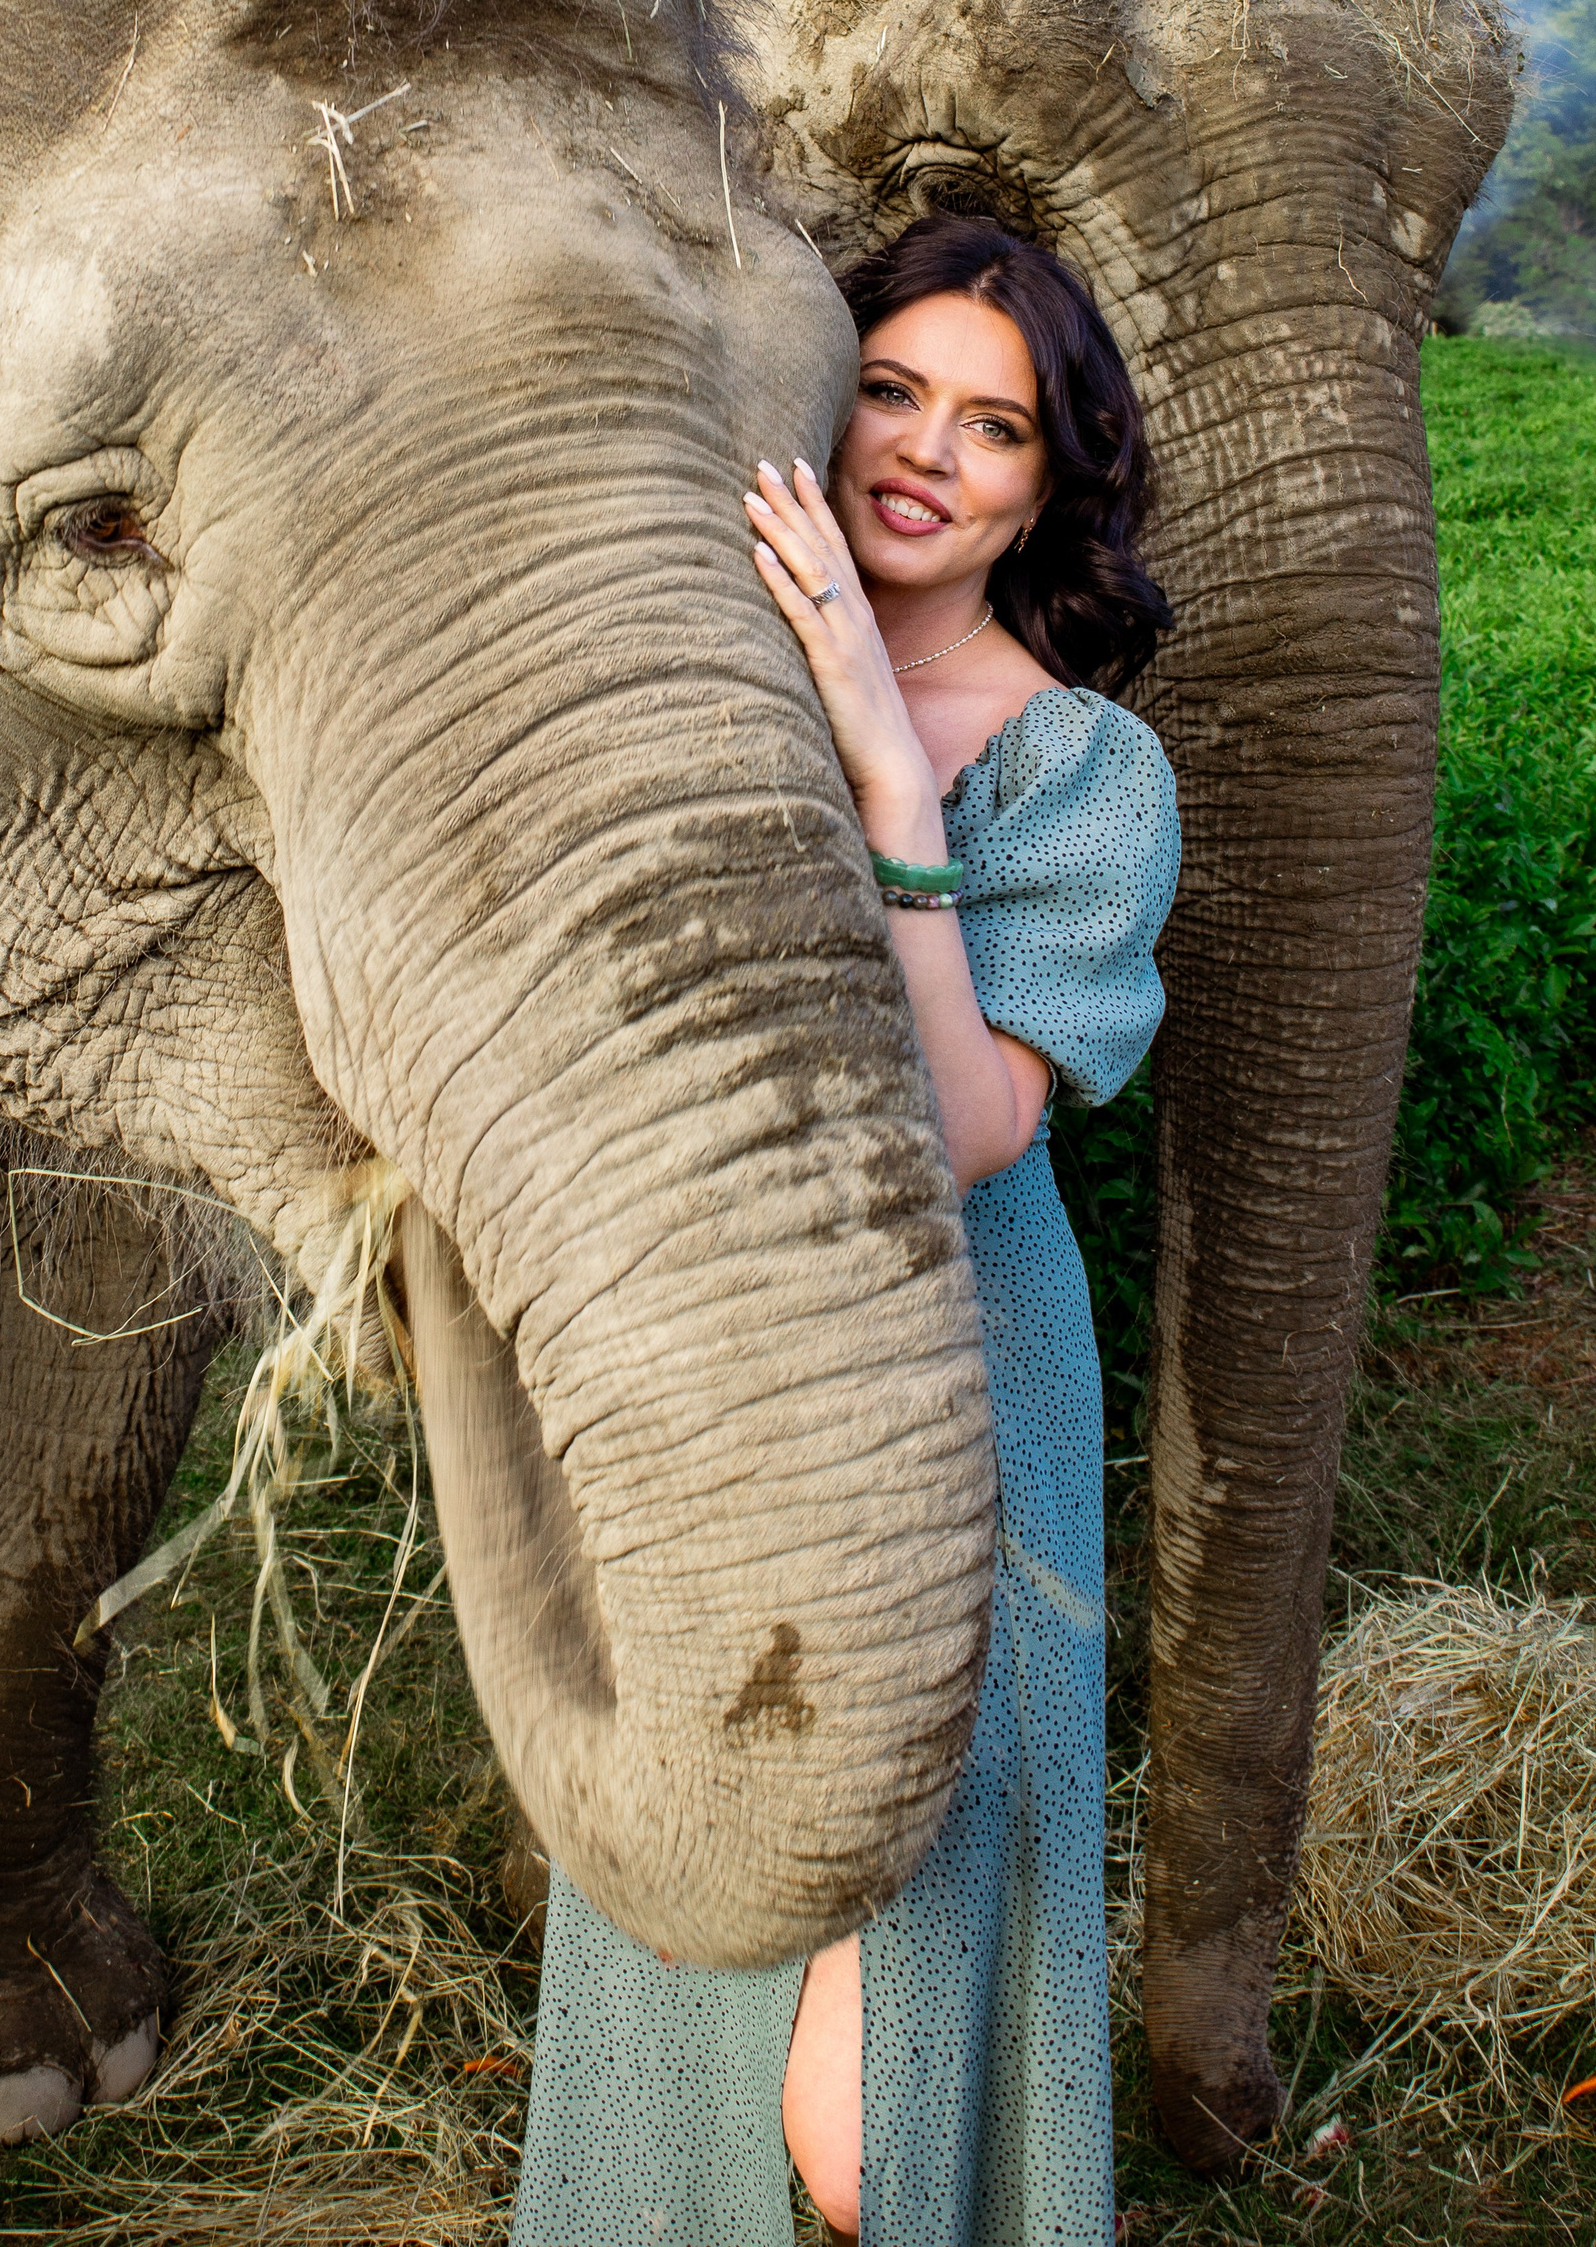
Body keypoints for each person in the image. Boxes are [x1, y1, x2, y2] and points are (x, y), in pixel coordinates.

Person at [510, 214, 1181, 2247]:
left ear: (1044, 490)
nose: (922, 453)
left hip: (962, 1377)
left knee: (875, 2105)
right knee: (700, 1879)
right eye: (890, 390)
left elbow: (971, 1125)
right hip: (697, 1352)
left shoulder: (1084, 769)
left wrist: (888, 765)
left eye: (992, 427)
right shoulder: (689, 664)